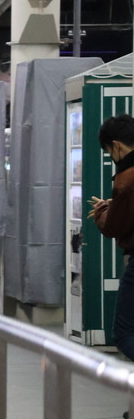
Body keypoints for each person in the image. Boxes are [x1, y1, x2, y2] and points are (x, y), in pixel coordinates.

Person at [89, 114, 134, 361]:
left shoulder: (126, 178)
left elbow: (113, 227)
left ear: (116, 145)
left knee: (124, 334)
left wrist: (103, 210)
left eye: (109, 151)